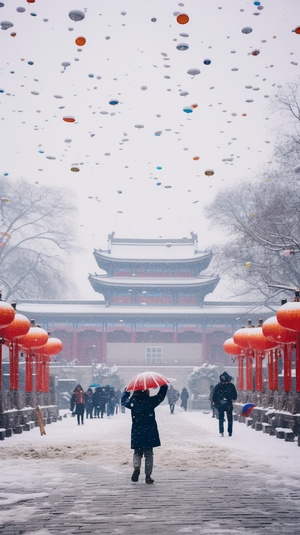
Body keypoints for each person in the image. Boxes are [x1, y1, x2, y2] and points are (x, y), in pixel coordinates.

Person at [121, 384, 168, 484]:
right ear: (146, 391)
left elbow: (123, 401)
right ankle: (148, 476)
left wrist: (126, 391)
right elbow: (161, 396)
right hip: (149, 431)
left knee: (137, 452)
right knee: (149, 454)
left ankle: (137, 467)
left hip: (137, 431)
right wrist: (163, 386)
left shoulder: (133, 401)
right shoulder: (150, 401)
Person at [212, 372, 237, 437]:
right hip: (228, 404)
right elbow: (235, 396)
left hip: (220, 404)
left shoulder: (218, 386)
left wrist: (217, 402)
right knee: (230, 418)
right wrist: (231, 398)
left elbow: (214, 396)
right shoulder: (231, 386)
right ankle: (230, 432)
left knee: (221, 418)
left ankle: (221, 431)